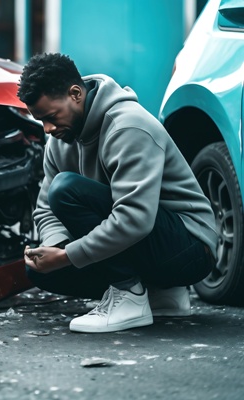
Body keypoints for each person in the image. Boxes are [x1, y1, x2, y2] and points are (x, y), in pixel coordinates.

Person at [17, 53, 218, 333]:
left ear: (75, 94)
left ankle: (129, 296)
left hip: (191, 250)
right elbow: (45, 209)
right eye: (41, 121)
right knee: (41, 271)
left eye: (51, 117)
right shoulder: (59, 141)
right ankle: (162, 295)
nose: (48, 129)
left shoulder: (128, 127)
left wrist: (67, 256)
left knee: (66, 190)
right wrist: (57, 247)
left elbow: (134, 218)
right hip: (153, 246)